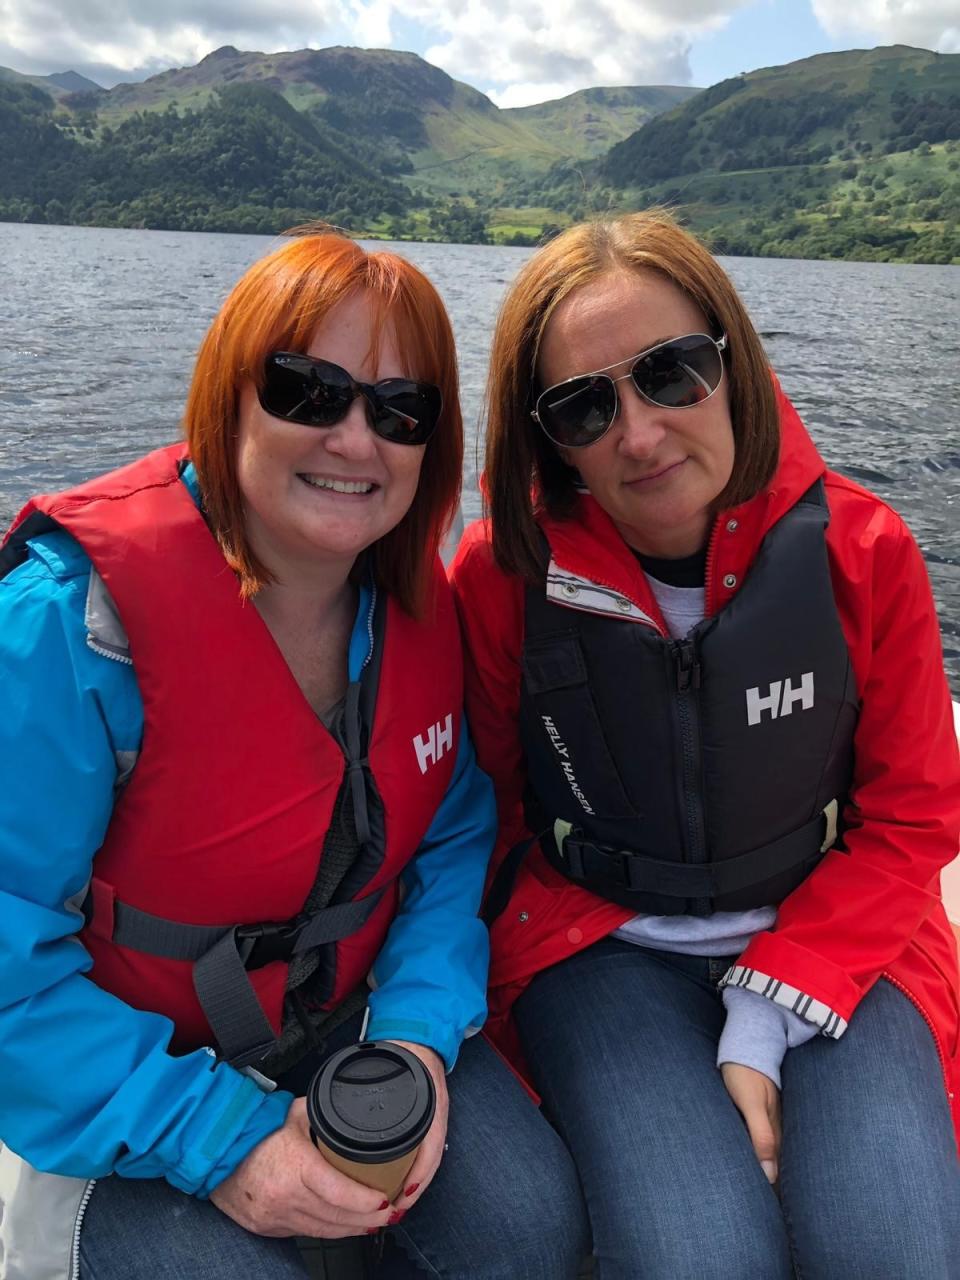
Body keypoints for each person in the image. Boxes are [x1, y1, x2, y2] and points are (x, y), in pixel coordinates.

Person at [0, 228, 588, 1280]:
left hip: (352, 1028)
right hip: (127, 1084)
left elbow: (449, 835)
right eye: (306, 390)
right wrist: (219, 1135)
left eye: (400, 409)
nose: (357, 439)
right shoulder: (69, 630)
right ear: (229, 393)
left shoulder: (415, 608)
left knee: (528, 1226)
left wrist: (413, 1032)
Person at [450, 211, 960, 1279]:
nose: (638, 432)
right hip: (599, 947)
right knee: (697, 1255)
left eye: (671, 372)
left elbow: (914, 812)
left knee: (897, 1248)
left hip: (834, 926)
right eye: (585, 405)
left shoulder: (865, 553)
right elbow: (475, 808)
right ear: (547, 439)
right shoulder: (502, 578)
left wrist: (774, 1000)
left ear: (733, 362)